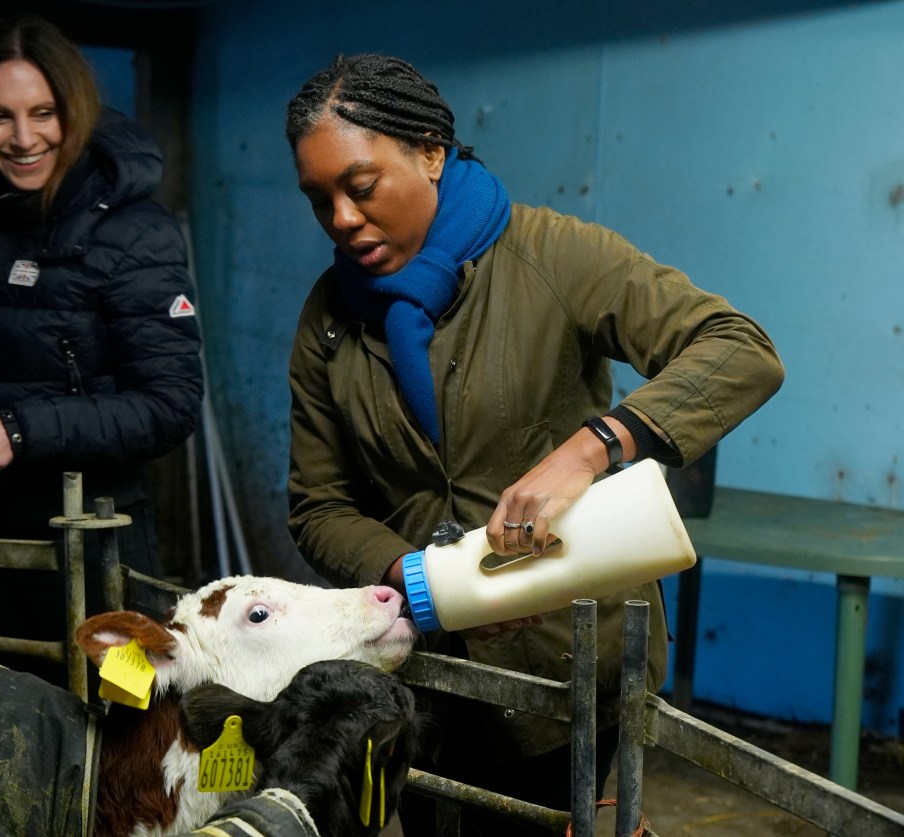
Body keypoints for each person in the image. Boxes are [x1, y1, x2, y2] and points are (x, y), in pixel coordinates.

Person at [284, 54, 784, 836]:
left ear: (429, 151)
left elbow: (739, 348)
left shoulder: (551, 256)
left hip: (568, 654)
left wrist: (592, 447)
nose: (342, 219)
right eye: (319, 200)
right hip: (426, 656)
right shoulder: (329, 316)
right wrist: (420, 580)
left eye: (361, 186)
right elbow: (317, 502)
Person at [0, 14, 203, 673]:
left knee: (110, 742)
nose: (23, 138)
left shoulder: (133, 231)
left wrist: (20, 427)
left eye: (44, 112)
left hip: (93, 540)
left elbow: (170, 403)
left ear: (76, 109)